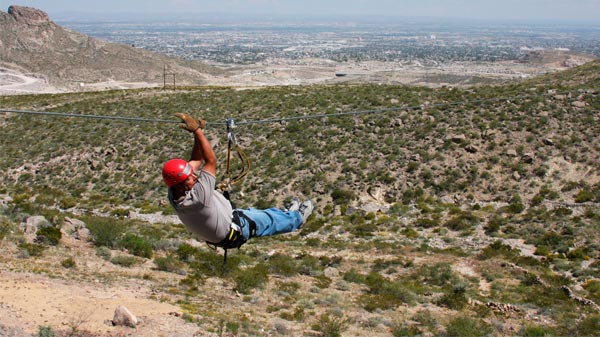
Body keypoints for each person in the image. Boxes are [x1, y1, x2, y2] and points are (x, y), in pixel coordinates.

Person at [162, 113, 313, 251]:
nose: (195, 176)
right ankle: (298, 218)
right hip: (236, 229)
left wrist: (197, 132)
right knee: (268, 220)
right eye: (190, 177)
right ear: (181, 184)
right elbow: (211, 161)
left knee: (260, 213)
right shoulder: (198, 198)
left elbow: (196, 160)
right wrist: (197, 131)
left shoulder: (174, 193)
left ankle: (288, 214)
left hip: (231, 220)